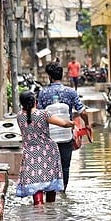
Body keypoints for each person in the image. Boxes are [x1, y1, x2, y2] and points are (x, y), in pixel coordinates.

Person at [37, 62, 92, 193]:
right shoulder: (70, 92)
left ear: (49, 76)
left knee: (49, 166)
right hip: (66, 136)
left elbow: (39, 115)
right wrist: (87, 124)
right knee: (65, 167)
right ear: (62, 75)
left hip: (49, 137)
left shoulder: (43, 93)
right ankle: (63, 191)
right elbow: (82, 111)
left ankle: (51, 194)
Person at [16, 91, 75, 205]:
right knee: (50, 183)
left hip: (30, 153)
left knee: (36, 183)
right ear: (35, 102)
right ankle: (50, 213)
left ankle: (38, 209)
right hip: (48, 152)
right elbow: (63, 123)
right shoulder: (43, 114)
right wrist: (72, 123)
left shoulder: (19, 116)